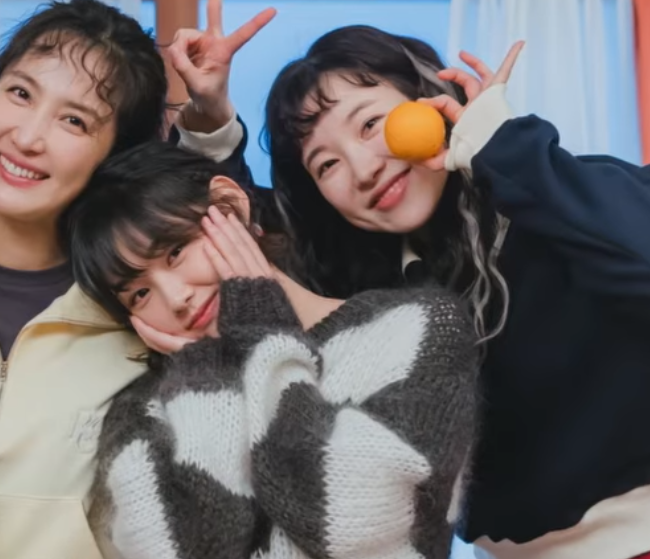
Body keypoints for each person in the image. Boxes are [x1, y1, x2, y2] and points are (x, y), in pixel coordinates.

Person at [260, 26, 650, 559]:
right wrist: (214, 131)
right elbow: (239, 253)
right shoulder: (377, 294)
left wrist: (501, 144)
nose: (364, 169)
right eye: (326, 164)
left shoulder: (554, 196)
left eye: (370, 124)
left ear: (429, 100)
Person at [0, 0, 272, 559]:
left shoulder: (143, 308)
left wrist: (207, 122)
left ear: (115, 155)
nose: (29, 137)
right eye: (20, 93)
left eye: (74, 120)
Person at [67, 142, 481, 559]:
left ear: (229, 204)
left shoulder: (413, 327)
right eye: (139, 295)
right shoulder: (140, 414)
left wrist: (260, 333)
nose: (175, 298)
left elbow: (348, 519)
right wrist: (208, 374)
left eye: (176, 252)